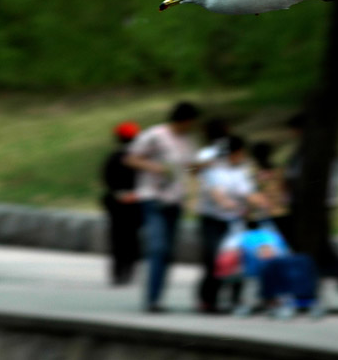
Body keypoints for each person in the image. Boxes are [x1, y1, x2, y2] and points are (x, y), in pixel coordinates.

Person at [123, 101, 200, 312]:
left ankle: (159, 298)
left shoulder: (188, 140)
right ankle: (151, 299)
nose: (192, 126)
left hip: (175, 200)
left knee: (168, 252)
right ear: (184, 120)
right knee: (158, 247)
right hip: (153, 197)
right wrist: (154, 167)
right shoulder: (155, 135)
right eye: (191, 122)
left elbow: (189, 167)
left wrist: (199, 168)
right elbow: (130, 158)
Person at [283, 113, 338, 307]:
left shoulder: (314, 152)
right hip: (321, 205)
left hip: (314, 207)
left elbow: (303, 178)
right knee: (319, 248)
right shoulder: (323, 150)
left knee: (318, 248)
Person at [197, 134, 268, 312]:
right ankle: (208, 299)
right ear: (233, 153)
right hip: (212, 220)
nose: (242, 156)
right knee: (214, 259)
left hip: (234, 221)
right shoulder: (213, 170)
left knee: (238, 258)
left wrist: (261, 201)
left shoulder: (240, 171)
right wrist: (225, 202)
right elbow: (216, 192)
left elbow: (248, 192)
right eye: (240, 153)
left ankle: (235, 298)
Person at [101, 121, 142, 285]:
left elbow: (107, 179)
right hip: (134, 203)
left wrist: (118, 194)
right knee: (131, 238)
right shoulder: (139, 159)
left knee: (117, 238)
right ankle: (128, 271)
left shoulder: (113, 158)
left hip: (117, 203)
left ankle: (118, 273)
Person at [249, 141, 291, 238]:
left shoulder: (251, 171)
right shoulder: (278, 170)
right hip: (280, 210)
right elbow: (285, 188)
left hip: (260, 213)